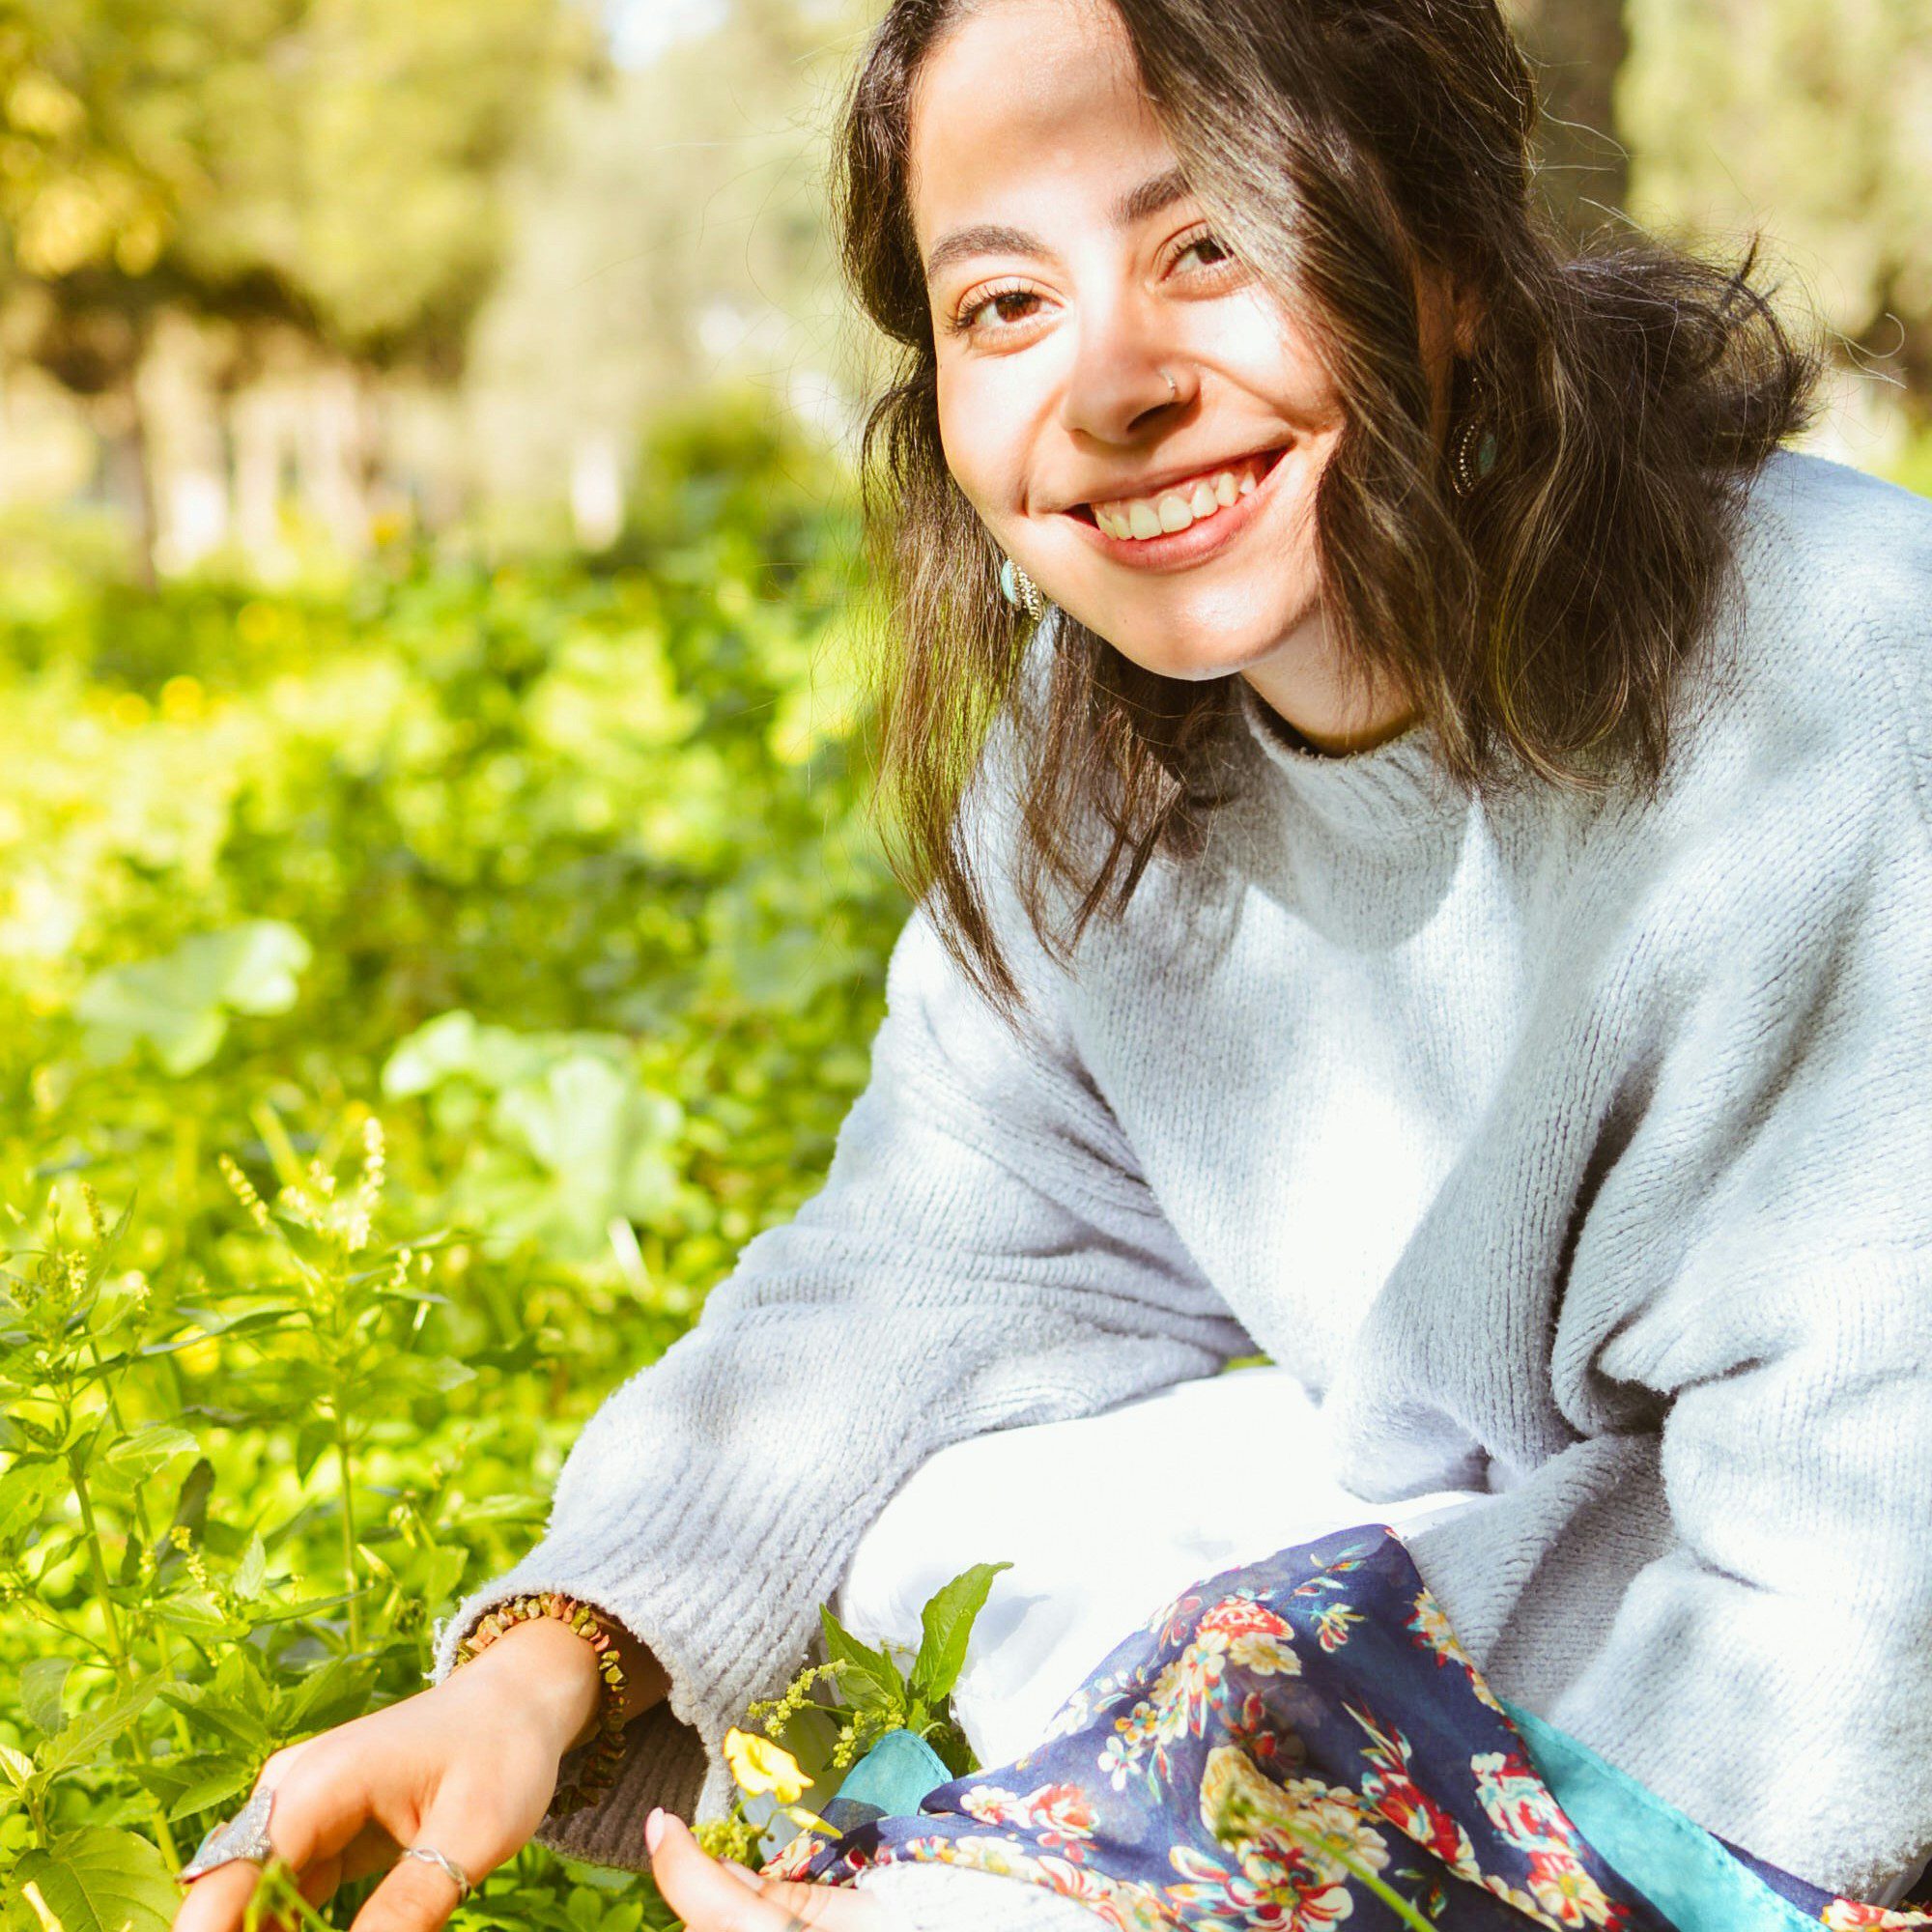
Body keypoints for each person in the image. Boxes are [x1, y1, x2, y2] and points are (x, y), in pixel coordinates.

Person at [172, 0, 1932, 1927]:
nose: (1110, 382)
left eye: (1211, 245)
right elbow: (949, 1256)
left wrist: (1127, 1860)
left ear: (1451, 257)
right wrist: (549, 1667)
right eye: (1002, 307)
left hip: (1826, 1661)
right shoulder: (1089, 751)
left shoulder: (1832, 687)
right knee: (937, 1536)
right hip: (1576, 1554)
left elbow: (1854, 1592)